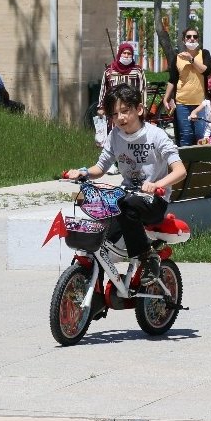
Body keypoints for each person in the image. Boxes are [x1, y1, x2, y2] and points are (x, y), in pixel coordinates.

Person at [64, 84, 187, 285]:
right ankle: (92, 290)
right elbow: (101, 167)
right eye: (115, 114)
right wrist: (83, 172)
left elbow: (180, 170)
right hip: (127, 198)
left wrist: (156, 184)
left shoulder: (156, 135)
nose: (120, 118)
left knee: (126, 206)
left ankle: (147, 258)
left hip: (153, 201)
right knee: (98, 238)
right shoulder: (115, 136)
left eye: (125, 111)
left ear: (139, 109)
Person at [165, 27, 211, 146]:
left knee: (200, 136)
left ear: (198, 39)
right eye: (189, 37)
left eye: (195, 37)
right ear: (183, 40)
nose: (192, 39)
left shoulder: (204, 53)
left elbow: (206, 71)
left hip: (200, 103)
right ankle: (185, 164)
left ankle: (200, 164)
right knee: (186, 135)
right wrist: (166, 98)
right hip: (182, 103)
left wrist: (191, 59)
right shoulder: (177, 58)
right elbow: (173, 79)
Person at [98, 42, 147, 135]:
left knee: (132, 132)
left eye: (129, 54)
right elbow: (104, 89)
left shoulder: (137, 70)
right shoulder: (110, 70)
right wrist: (101, 107)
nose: (126, 56)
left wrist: (143, 106)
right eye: (124, 53)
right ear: (120, 53)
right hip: (114, 108)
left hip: (131, 108)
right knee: (115, 134)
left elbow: (143, 89)